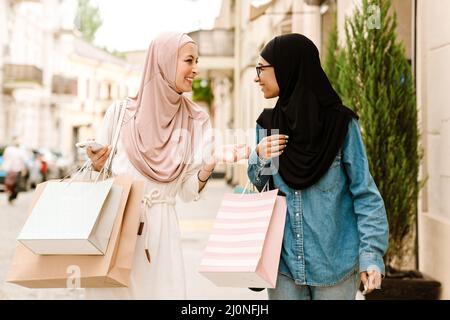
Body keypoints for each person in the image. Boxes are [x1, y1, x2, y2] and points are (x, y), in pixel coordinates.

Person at [84, 32, 249, 299]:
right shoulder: (120, 113)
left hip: (161, 237)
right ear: (164, 62)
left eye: (197, 60)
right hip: (115, 232)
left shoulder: (196, 120)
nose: (195, 69)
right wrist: (95, 164)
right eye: (188, 60)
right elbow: (99, 176)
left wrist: (211, 162)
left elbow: (187, 191)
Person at [247, 33, 389, 300]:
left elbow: (364, 192)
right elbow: (260, 186)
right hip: (284, 267)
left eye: (261, 68)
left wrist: (371, 255)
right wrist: (258, 157)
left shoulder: (342, 125)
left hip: (335, 266)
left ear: (288, 66)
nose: (257, 77)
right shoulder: (267, 125)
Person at [3, 137, 27, 204]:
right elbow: (5, 158)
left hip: (18, 169)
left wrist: (24, 169)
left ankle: (13, 197)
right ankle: (10, 195)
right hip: (10, 169)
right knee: (9, 183)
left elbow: (24, 161)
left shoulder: (21, 150)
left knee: (17, 185)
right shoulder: (8, 149)